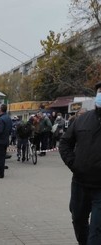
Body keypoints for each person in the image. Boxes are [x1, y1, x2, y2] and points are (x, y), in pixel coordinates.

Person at [59, 82, 101, 245]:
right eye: (99, 91)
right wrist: (73, 164)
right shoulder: (82, 119)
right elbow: (65, 143)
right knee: (78, 220)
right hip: (80, 183)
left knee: (97, 229)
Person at [0, 104, 12, 179]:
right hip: (5, 140)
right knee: (2, 157)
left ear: (1, 110)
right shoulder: (8, 118)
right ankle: (1, 172)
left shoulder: (1, 119)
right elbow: (10, 130)